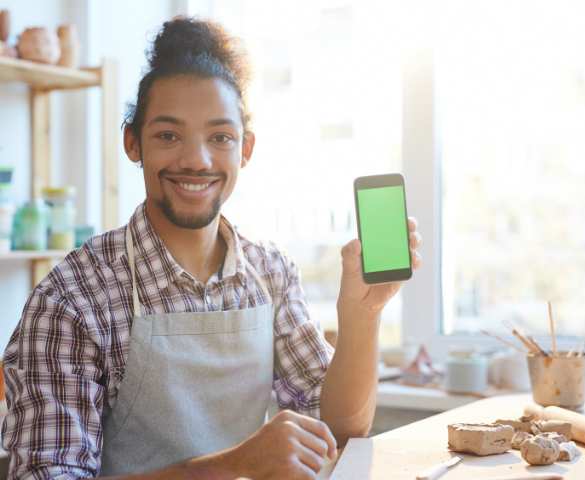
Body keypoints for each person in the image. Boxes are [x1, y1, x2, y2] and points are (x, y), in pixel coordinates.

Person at [1, 17, 422, 480]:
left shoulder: (271, 272)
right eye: (168, 135)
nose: (196, 160)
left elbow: (339, 428)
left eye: (219, 137)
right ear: (132, 142)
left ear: (246, 150)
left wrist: (362, 315)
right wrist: (236, 465)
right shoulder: (72, 299)